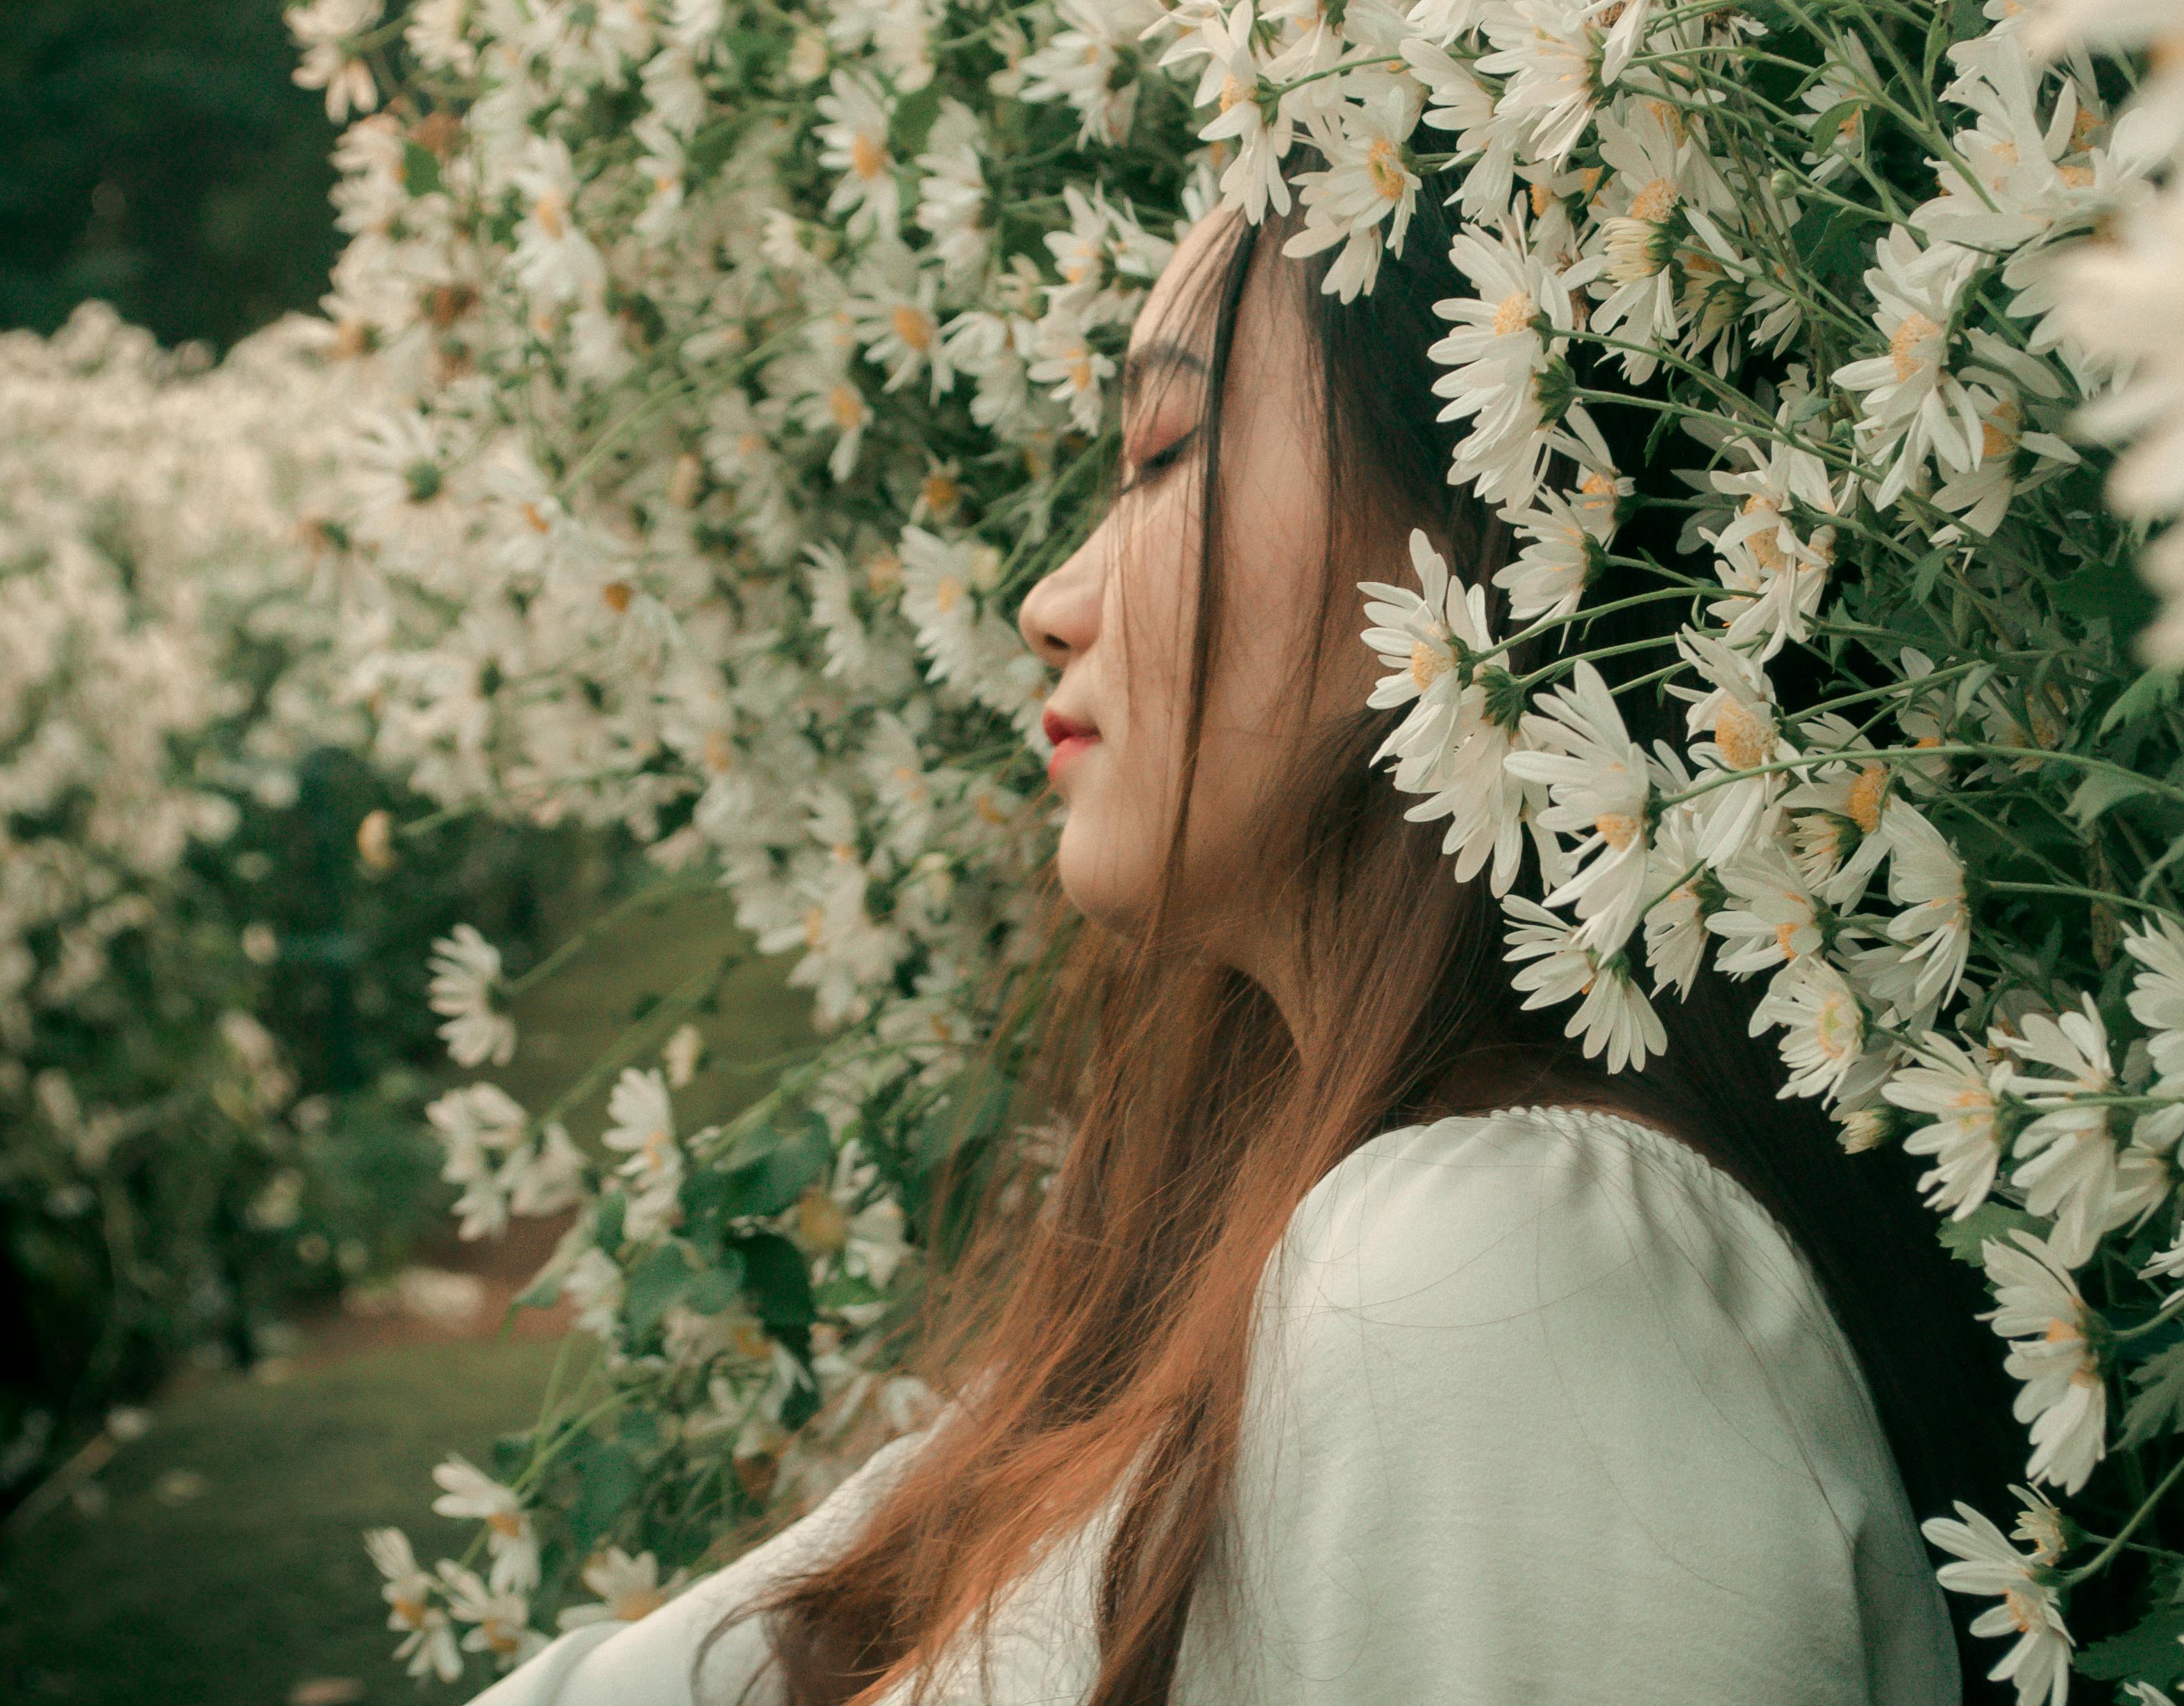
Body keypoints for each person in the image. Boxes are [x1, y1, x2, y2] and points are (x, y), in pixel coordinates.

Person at [467, 161, 2008, 1705]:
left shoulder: (1500, 1277)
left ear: (1476, 529)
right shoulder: (1234, 1281)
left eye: (1161, 451)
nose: (1050, 601)